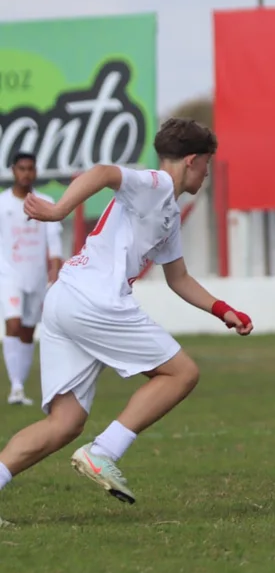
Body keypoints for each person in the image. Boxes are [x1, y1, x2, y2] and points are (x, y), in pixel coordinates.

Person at [0, 118, 253, 527]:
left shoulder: (168, 210)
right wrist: (58, 211)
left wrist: (222, 309)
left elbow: (179, 278)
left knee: (64, 423)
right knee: (181, 373)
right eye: (206, 164)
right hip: (94, 300)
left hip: (65, 298)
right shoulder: (154, 184)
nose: (207, 173)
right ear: (191, 160)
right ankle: (104, 452)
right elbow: (103, 173)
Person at [0, 153, 64, 406]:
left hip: (36, 275)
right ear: (13, 170)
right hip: (8, 274)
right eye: (21, 168)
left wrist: (55, 270)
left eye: (30, 169)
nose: (26, 173)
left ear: (35, 172)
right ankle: (15, 386)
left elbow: (55, 242)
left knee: (27, 331)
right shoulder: (2, 203)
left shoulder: (45, 201)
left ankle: (19, 386)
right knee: (13, 325)